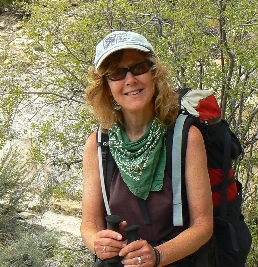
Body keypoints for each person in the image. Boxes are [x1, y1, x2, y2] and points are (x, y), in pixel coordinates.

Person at [81, 31, 215, 267]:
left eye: (139, 68)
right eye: (117, 73)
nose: (130, 80)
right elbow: (89, 224)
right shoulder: (98, 144)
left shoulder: (185, 137)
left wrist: (157, 256)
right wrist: (98, 243)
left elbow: (203, 225)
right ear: (106, 86)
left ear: (154, 74)